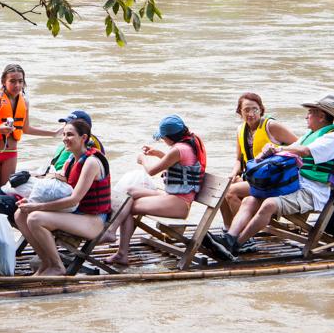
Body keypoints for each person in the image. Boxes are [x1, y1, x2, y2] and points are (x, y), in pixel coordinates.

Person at [208, 93, 334, 258]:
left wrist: (279, 148)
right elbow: (291, 150)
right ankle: (229, 239)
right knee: (250, 199)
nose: (306, 116)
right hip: (293, 183)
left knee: (268, 204)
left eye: (310, 112)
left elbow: (303, 151)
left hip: (312, 191)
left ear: (321, 116)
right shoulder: (309, 135)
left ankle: (236, 244)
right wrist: (266, 153)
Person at [13, 119, 112, 276]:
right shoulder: (71, 159)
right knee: (20, 214)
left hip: (92, 221)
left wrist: (36, 207)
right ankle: (46, 263)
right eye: (64, 134)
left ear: (84, 138)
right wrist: (32, 202)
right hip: (76, 214)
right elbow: (61, 191)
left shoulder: (91, 162)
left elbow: (74, 199)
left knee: (35, 218)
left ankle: (57, 266)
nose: (65, 138)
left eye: (70, 135)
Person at [104, 115, 206, 266]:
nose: (163, 141)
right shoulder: (190, 141)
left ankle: (120, 249)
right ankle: (112, 232)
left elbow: (151, 171)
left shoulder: (178, 149)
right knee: (130, 190)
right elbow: (180, 163)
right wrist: (157, 154)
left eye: (163, 138)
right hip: (174, 196)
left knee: (128, 207)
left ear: (170, 137)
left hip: (179, 202)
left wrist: (142, 159)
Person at [0, 64, 59, 189]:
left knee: (5, 191)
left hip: (11, 154)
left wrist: (54, 133)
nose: (17, 85)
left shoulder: (25, 102)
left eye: (20, 81)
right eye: (12, 81)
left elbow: (26, 128)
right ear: (3, 81)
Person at [224, 93, 297, 224]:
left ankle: (241, 234)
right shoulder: (240, 130)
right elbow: (239, 160)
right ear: (240, 112)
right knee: (223, 188)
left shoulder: (271, 126)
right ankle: (228, 228)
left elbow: (299, 146)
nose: (251, 113)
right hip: (255, 178)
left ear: (261, 110)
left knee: (230, 192)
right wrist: (233, 174)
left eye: (255, 109)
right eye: (246, 110)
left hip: (273, 180)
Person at [44, 109, 105, 176]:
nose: (66, 127)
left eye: (70, 124)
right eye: (66, 123)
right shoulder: (67, 144)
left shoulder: (86, 150)